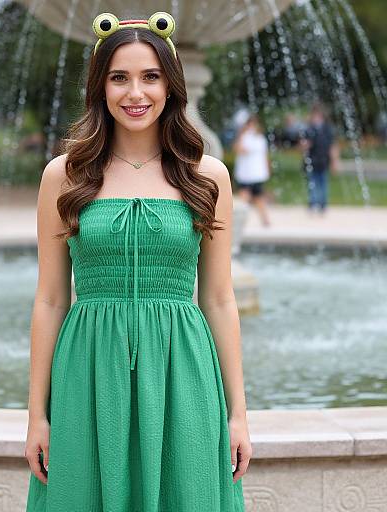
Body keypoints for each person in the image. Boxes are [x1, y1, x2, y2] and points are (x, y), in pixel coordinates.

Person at [24, 11, 250, 511]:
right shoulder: (64, 175)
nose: (135, 93)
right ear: (100, 87)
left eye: (150, 77)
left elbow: (217, 298)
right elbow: (50, 298)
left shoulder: (207, 175)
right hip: (87, 367)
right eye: (119, 78)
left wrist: (239, 413)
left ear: (171, 86)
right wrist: (37, 414)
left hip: (182, 367)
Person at [299, 103, 339, 214]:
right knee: (312, 183)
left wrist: (335, 161)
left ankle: (322, 204)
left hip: (323, 161)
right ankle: (312, 203)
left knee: (323, 182)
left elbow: (332, 146)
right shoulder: (308, 129)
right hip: (311, 161)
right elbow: (302, 146)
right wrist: (305, 145)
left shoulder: (327, 129)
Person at [232, 113, 271, 227]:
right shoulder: (247, 137)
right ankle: (244, 221)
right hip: (247, 173)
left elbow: (263, 155)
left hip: (254, 173)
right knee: (247, 197)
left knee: (256, 198)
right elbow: (239, 149)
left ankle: (263, 220)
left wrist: (266, 169)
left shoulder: (258, 138)